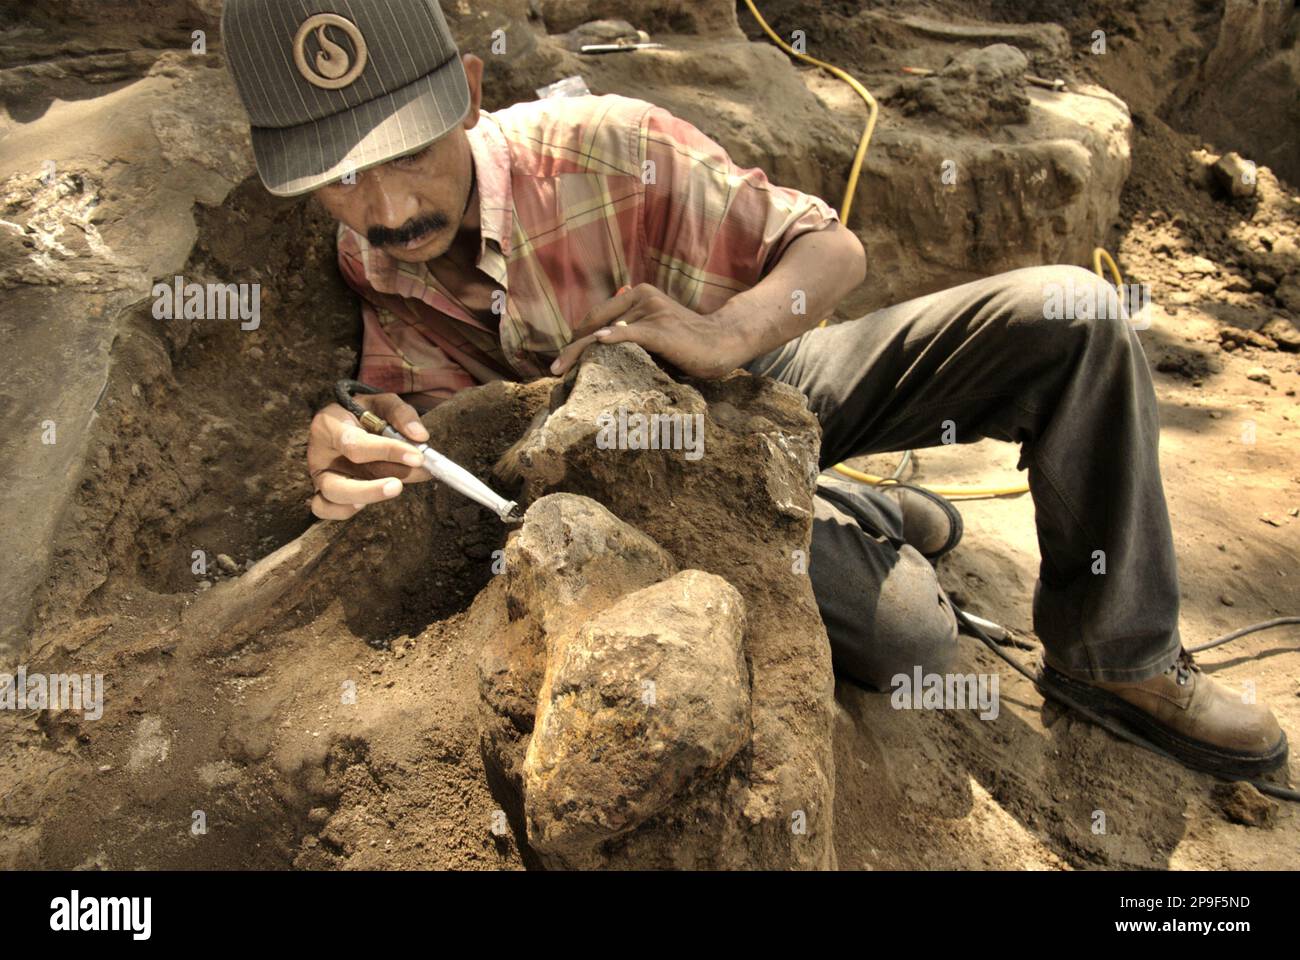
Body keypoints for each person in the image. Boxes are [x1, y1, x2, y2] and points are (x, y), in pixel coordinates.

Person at [220, 0, 1287, 778]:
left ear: (464, 92)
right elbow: (436, 432)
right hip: (657, 483)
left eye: (406, 153)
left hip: (767, 381)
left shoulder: (610, 149)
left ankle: (1119, 658)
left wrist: (728, 328)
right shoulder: (373, 258)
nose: (384, 205)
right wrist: (369, 444)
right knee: (913, 639)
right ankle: (861, 512)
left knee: (1075, 314)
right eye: (336, 177)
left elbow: (833, 253)